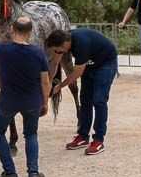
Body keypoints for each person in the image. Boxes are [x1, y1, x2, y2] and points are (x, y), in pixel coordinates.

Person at [0, 14, 51, 177]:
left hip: (8, 99)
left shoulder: (2, 50)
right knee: (31, 134)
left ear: (12, 29)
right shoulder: (38, 52)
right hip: (32, 100)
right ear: (30, 31)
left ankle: (10, 172)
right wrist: (45, 102)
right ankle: (33, 173)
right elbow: (45, 80)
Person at [46, 27, 118, 156]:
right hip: (90, 65)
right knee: (85, 101)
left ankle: (98, 140)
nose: (57, 52)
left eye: (58, 49)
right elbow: (56, 63)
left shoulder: (81, 44)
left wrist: (60, 86)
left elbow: (77, 73)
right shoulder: (66, 38)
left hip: (106, 64)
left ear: (66, 44)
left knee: (99, 101)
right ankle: (83, 136)